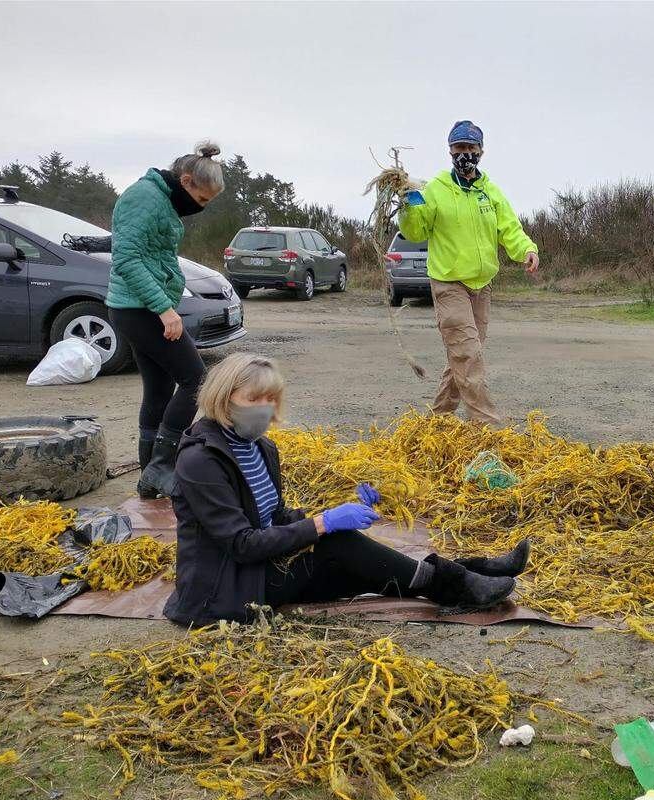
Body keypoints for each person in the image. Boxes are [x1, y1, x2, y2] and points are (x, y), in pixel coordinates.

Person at [164, 353, 529, 626]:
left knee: (361, 564)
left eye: (271, 399)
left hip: (260, 569)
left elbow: (274, 518)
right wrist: (324, 523)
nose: (265, 409)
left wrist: (340, 511)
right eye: (253, 399)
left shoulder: (260, 447)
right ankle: (458, 584)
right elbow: (241, 544)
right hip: (225, 589)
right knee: (338, 546)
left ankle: (471, 571)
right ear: (223, 398)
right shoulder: (200, 461)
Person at [398, 120, 540, 427]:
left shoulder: (490, 191)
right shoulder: (436, 189)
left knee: (463, 356)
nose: (465, 154)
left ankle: (437, 422)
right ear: (450, 151)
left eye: (471, 148)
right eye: (459, 148)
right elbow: (415, 230)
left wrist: (526, 250)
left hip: (482, 285)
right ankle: (488, 425)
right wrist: (408, 204)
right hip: (449, 283)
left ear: (481, 151)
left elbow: (510, 229)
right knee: (468, 354)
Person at [106, 141, 224, 500]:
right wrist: (164, 309)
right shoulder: (144, 197)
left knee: (158, 391)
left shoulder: (163, 200)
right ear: (185, 181)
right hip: (138, 308)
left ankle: (149, 479)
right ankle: (161, 466)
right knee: (197, 381)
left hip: (144, 305)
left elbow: (154, 254)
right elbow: (126, 258)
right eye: (201, 200)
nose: (200, 208)